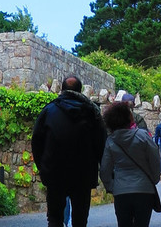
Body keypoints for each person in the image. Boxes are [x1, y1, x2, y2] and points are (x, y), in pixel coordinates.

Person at [32, 76, 107, 227]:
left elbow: (37, 142)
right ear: (80, 91)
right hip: (83, 174)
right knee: (80, 219)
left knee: (54, 218)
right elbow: (101, 144)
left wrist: (43, 167)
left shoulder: (49, 110)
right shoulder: (92, 113)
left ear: (62, 90)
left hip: (55, 172)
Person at [100, 101, 161, 227]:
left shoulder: (111, 141)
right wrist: (154, 179)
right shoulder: (143, 136)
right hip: (144, 189)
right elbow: (155, 160)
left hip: (121, 191)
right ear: (129, 118)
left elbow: (105, 169)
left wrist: (112, 186)